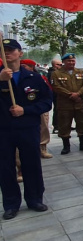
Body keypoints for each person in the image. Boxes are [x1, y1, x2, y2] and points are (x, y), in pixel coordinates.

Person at [0, 38, 52, 220]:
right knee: (5, 166)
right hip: (4, 129)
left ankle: (35, 198)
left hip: (27, 127)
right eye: (4, 50)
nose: (7, 53)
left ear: (20, 53)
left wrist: (26, 110)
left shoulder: (34, 77)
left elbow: (46, 102)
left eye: (12, 50)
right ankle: (11, 203)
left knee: (31, 163)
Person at [51, 52, 83, 154]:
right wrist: (70, 95)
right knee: (64, 125)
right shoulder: (56, 74)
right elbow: (56, 87)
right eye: (68, 61)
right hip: (65, 104)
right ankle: (66, 146)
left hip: (79, 103)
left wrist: (78, 94)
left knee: (82, 123)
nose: (71, 62)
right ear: (64, 62)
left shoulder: (80, 72)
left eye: (73, 60)